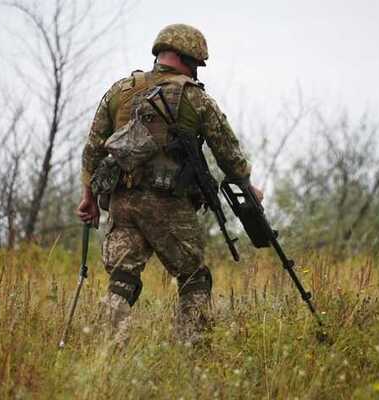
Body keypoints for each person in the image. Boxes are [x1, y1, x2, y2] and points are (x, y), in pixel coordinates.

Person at [76, 23, 263, 344]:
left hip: (122, 202)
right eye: (193, 63)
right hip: (168, 204)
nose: (195, 71)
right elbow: (228, 151)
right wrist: (247, 185)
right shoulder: (195, 98)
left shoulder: (119, 91)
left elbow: (93, 148)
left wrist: (88, 197)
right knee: (194, 278)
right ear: (179, 56)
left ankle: (105, 353)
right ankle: (194, 356)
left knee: (123, 279)